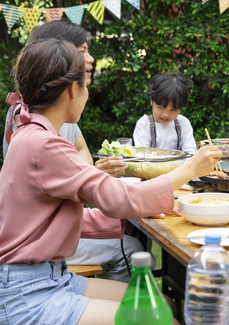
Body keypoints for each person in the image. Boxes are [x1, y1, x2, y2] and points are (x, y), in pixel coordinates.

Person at [0, 38, 221, 324]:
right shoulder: (44, 145)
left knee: (163, 304)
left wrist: (135, 215)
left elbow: (53, 221)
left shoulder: (31, 135)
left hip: (48, 278)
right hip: (29, 294)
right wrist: (190, 169)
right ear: (72, 90)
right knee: (159, 318)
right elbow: (120, 198)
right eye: (86, 85)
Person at [1, 20, 143, 282]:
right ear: (55, 57)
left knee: (128, 243)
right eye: (81, 51)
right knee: (132, 249)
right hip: (36, 257)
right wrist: (87, 177)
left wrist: (84, 174)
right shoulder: (33, 131)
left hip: (43, 250)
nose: (89, 59)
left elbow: (81, 152)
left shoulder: (50, 118)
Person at [133, 72, 197, 154]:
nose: (165, 115)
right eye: (160, 108)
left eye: (173, 110)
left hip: (181, 166)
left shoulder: (183, 123)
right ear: (151, 100)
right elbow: (142, 156)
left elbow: (190, 153)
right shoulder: (144, 124)